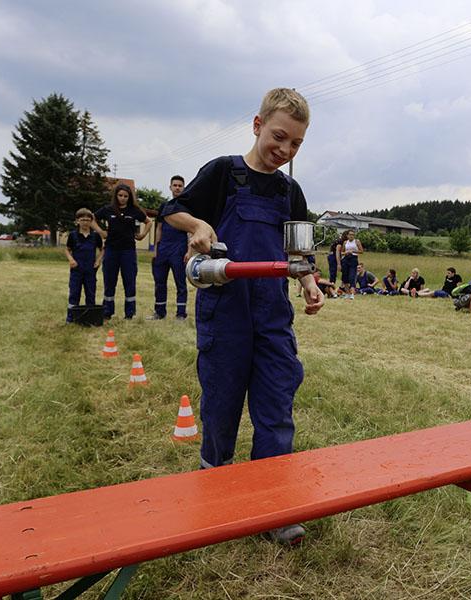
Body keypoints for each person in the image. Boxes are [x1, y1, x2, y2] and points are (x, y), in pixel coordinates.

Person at [162, 88, 324, 546]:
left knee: (276, 403)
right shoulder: (222, 173)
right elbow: (170, 209)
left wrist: (309, 284)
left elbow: (300, 252)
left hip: (273, 315)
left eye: (295, 144)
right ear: (257, 126)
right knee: (222, 404)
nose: (285, 150)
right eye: (278, 137)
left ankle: (271, 506)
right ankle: (215, 495)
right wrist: (197, 226)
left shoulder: (290, 191)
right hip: (225, 309)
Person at [93, 184, 150, 320]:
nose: (123, 198)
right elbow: (92, 218)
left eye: (125, 196)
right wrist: (100, 231)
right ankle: (107, 311)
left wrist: (142, 235)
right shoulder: (108, 209)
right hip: (111, 250)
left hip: (128, 251)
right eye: (120, 196)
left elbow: (148, 222)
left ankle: (129, 313)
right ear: (116, 196)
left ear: (129, 197)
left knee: (129, 282)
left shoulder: (134, 210)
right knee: (109, 281)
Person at [148, 175, 190, 320]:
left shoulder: (187, 206)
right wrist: (155, 249)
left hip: (179, 249)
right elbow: (159, 228)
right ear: (170, 187)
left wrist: (189, 251)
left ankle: (181, 314)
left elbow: (191, 230)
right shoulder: (164, 206)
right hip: (163, 249)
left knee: (180, 283)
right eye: (175, 185)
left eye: (180, 185)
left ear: (183, 188)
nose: (177, 188)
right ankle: (159, 312)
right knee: (160, 282)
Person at [64, 208, 104, 323]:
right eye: (82, 220)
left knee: (90, 293)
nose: (85, 222)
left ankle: (90, 319)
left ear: (91, 221)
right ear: (77, 221)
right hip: (77, 269)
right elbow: (67, 249)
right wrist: (71, 260)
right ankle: (71, 318)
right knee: (74, 293)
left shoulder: (95, 236)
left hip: (90, 270)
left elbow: (102, 250)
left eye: (88, 220)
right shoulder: (73, 235)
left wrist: (98, 261)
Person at [339, 229, 363, 298]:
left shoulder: (357, 241)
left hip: (353, 259)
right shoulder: (345, 242)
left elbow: (361, 251)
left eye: (353, 235)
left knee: (352, 276)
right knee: (345, 276)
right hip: (346, 259)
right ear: (347, 235)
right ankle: (347, 293)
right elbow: (341, 252)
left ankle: (352, 293)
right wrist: (345, 253)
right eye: (350, 235)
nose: (351, 236)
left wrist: (353, 251)